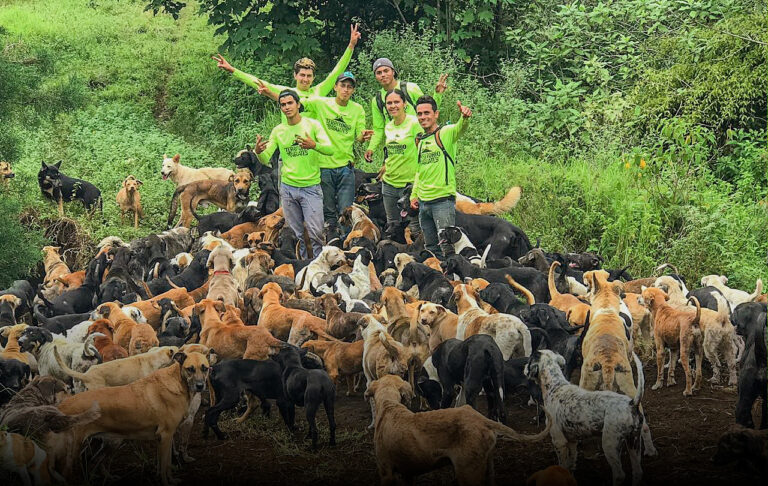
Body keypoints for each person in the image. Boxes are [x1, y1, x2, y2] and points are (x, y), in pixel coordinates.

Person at [253, 90, 333, 259]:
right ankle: (302, 265)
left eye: (290, 103)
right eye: (283, 104)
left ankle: (319, 263)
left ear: (298, 104)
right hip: (288, 188)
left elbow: (330, 149)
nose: (287, 107)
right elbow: (266, 158)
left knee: (316, 232)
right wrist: (258, 152)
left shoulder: (312, 125)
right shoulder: (279, 131)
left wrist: (314, 145)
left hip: (310, 187)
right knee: (296, 234)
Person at [295, 72, 373, 241]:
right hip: (324, 166)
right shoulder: (321, 103)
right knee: (328, 210)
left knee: (346, 210)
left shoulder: (357, 109)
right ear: (335, 87)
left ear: (353, 90)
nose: (345, 90)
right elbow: (294, 102)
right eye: (342, 86)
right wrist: (269, 92)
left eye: (349, 87)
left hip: (345, 167)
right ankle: (332, 241)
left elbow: (359, 136)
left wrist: (363, 136)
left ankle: (347, 243)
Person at [211, 24, 361, 109]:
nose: (305, 79)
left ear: (313, 78)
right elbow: (256, 82)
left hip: (314, 145)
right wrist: (233, 70)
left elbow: (337, 71)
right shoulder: (286, 92)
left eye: (309, 76)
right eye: (302, 75)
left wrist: (351, 45)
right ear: (295, 75)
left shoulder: (319, 90)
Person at [411, 96, 472, 258]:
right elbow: (420, 170)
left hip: (442, 201)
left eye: (427, 113)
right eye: (419, 114)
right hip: (424, 203)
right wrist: (414, 194)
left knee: (448, 247)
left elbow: (459, 128)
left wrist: (464, 118)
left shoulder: (445, 133)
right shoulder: (421, 140)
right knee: (431, 247)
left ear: (436, 114)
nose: (423, 117)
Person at [364, 59, 447, 163]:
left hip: (417, 141)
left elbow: (428, 109)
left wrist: (438, 94)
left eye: (386, 71)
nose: (383, 75)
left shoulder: (409, 88)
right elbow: (378, 128)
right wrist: (371, 148)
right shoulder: (377, 100)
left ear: (393, 71)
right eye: (379, 73)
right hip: (397, 147)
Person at [371, 89, 423, 238]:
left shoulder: (414, 123)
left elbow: (424, 150)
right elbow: (391, 152)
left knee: (414, 228)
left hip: (409, 185)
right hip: (389, 184)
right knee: (393, 227)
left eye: (396, 102)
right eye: (389, 103)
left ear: (404, 104)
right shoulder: (388, 126)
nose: (393, 106)